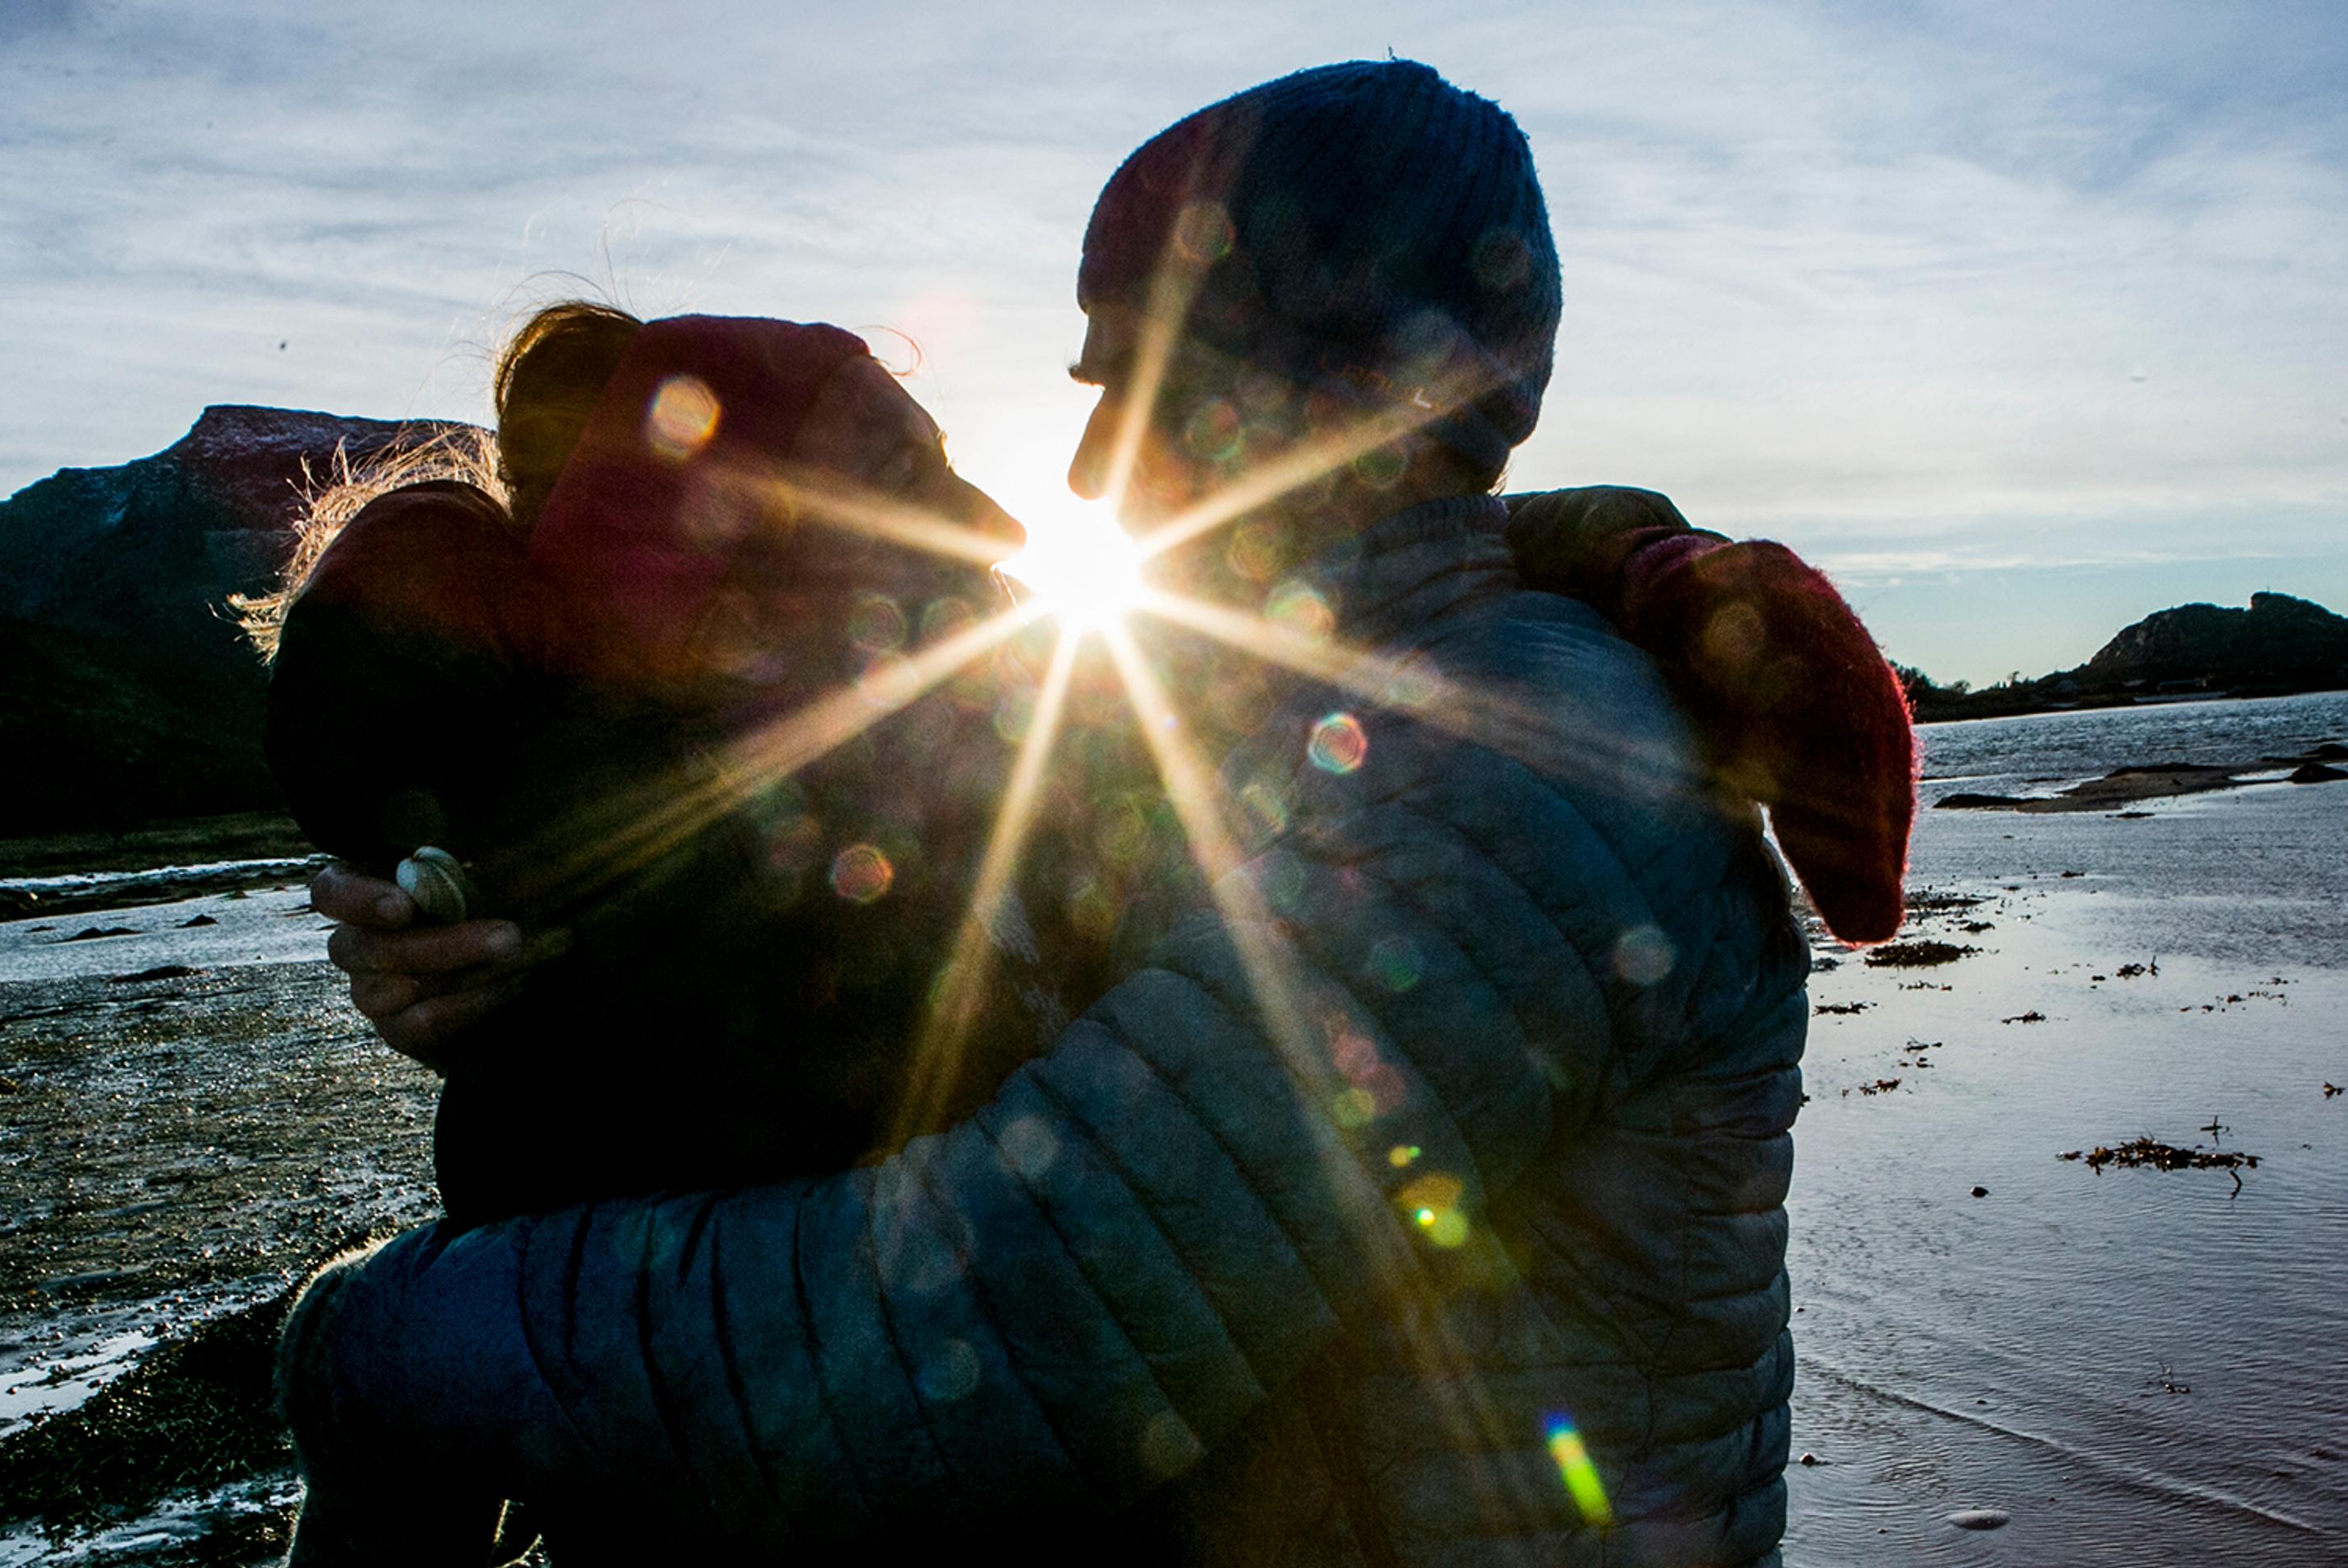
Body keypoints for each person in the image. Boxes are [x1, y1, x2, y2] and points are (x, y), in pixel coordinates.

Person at [279, 60, 1916, 1566]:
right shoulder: (1254, 727)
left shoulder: (1522, 766)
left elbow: (1018, 1333)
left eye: (1128, 375)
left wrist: (386, 1339)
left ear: (1304, 385)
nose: (1072, 473)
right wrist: (507, 986)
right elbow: (859, 999)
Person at [262, 305, 1057, 1223]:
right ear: (731, 627)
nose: (1003, 529)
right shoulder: (757, 978)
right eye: (904, 477)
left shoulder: (963, 794)